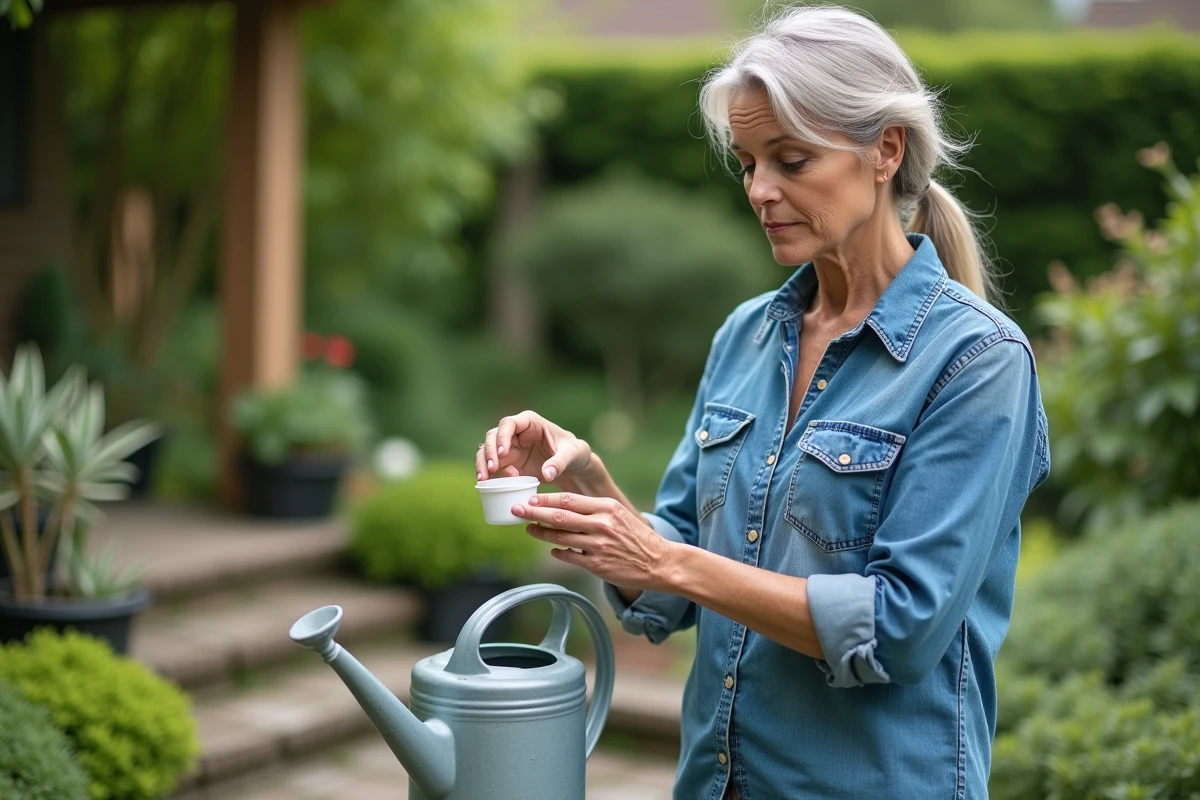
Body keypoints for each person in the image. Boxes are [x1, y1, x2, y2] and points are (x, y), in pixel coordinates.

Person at [475, 6, 1050, 798]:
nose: (760, 190)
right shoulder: (746, 335)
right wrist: (593, 491)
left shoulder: (977, 361)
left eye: (791, 159)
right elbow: (670, 583)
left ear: (886, 150)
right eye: (748, 163)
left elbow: (898, 628)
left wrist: (668, 560)